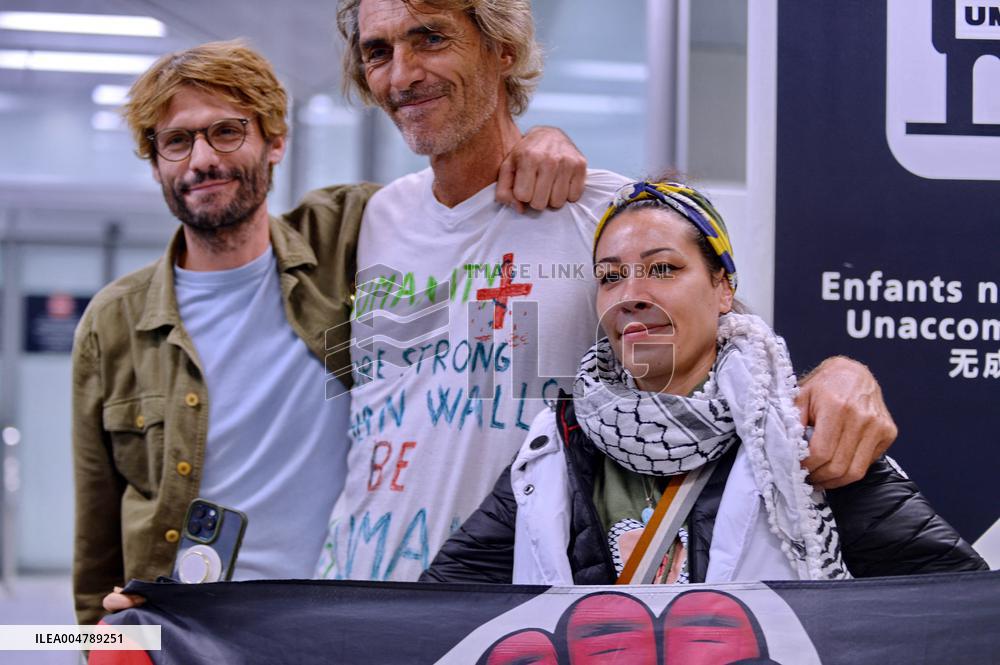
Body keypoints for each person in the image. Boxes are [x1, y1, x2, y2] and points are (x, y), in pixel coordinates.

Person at [316, 0, 899, 583]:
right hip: (352, 591)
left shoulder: (598, 214)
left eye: (431, 39)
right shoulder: (376, 216)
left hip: (501, 600)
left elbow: (735, 356)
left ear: (503, 50)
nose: (401, 73)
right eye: (378, 52)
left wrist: (842, 375)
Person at [72, 39, 585, 625]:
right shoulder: (114, 322)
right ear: (156, 160)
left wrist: (547, 139)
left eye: (227, 132)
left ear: (275, 142)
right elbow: (94, 541)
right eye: (176, 141)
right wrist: (92, 643)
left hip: (321, 621)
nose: (201, 160)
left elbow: (461, 188)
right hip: (184, 628)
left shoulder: (348, 236)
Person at [421, 180, 988, 584]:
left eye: (663, 268)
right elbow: (443, 609)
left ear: (721, 287)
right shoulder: (555, 440)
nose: (631, 293)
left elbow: (949, 606)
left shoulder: (801, 436)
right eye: (610, 276)